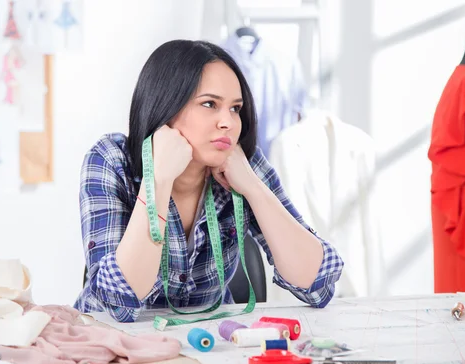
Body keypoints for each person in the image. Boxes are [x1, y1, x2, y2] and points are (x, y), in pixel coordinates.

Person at [74, 40, 344, 322]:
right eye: (209, 104)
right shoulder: (110, 160)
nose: (227, 122)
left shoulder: (241, 161)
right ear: (166, 104)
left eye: (235, 108)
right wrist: (159, 177)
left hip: (209, 344)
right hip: (108, 345)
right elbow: (120, 303)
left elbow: (317, 285)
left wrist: (252, 188)